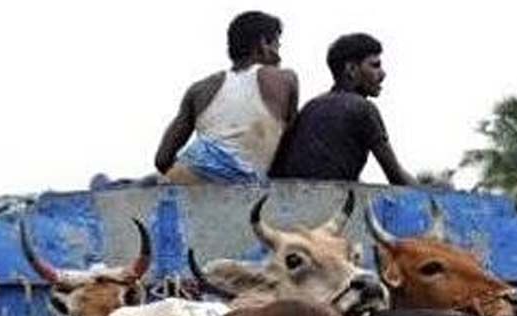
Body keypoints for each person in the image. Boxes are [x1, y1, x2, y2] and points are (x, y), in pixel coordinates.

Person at [154, 11, 298, 184]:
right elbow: (292, 148)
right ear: (263, 43)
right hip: (242, 190)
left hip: (186, 178)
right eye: (277, 45)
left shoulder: (200, 89)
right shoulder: (284, 79)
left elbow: (162, 159)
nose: (279, 54)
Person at [270, 33, 415, 185]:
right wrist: (433, 198)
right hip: (329, 204)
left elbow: (278, 169)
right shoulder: (362, 108)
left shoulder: (310, 107)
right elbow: (396, 176)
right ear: (351, 69)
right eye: (375, 65)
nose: (382, 74)